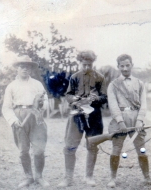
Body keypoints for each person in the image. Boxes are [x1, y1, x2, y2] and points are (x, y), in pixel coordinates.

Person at [58, 50, 107, 187]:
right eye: (84, 64)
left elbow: (104, 97)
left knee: (92, 145)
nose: (86, 68)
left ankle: (89, 176)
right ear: (80, 63)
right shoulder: (74, 77)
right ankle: (68, 178)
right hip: (76, 115)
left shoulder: (100, 77)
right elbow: (68, 95)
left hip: (94, 116)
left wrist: (96, 98)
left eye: (89, 65)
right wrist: (74, 98)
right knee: (69, 146)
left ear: (93, 63)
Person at [2, 56, 49, 189]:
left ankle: (39, 177)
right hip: (19, 117)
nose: (24, 68)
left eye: (27, 66)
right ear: (17, 68)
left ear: (30, 69)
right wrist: (13, 120)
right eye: (21, 66)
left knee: (39, 150)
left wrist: (41, 105)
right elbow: (6, 107)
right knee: (23, 151)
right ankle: (28, 176)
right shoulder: (11, 86)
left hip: (35, 116)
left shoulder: (37, 84)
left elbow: (45, 100)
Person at [107, 54, 151, 188]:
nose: (125, 68)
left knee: (142, 149)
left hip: (136, 118)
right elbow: (113, 104)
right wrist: (120, 121)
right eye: (122, 66)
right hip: (120, 119)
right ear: (118, 67)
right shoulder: (113, 85)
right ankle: (112, 179)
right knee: (116, 149)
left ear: (132, 65)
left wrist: (140, 120)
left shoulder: (139, 83)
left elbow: (143, 103)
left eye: (127, 65)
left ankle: (147, 178)